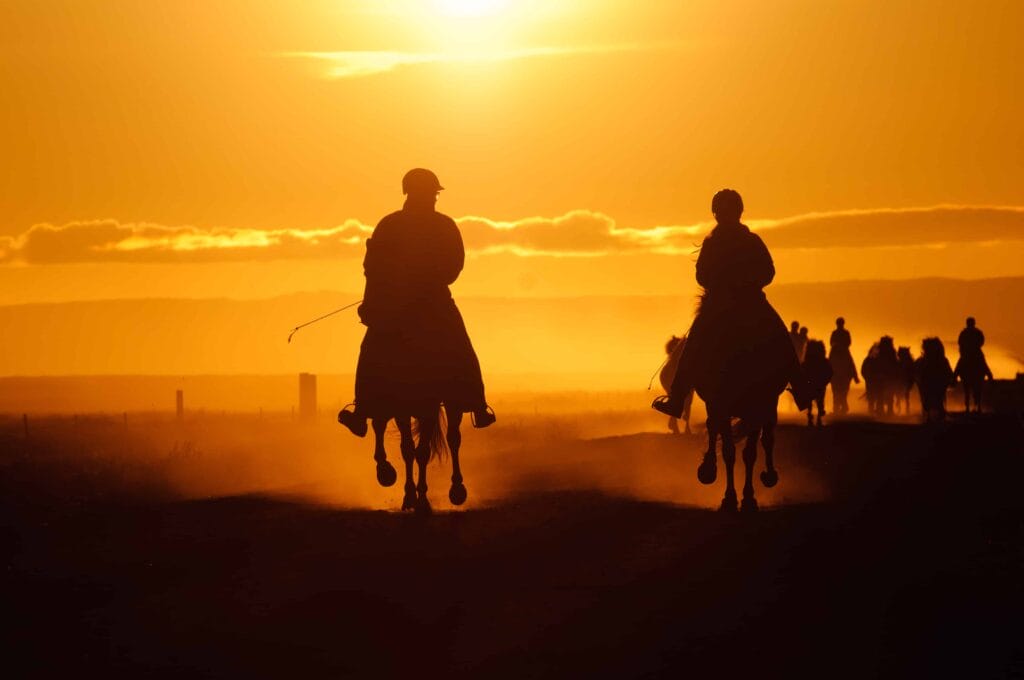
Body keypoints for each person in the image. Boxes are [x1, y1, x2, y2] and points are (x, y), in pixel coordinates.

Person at [338, 168, 495, 436]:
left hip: (400, 306)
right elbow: (454, 267)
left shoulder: (390, 224)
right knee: (460, 347)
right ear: (422, 193)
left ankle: (361, 411)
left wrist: (374, 303)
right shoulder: (442, 225)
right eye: (432, 193)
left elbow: (374, 269)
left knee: (372, 351)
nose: (434, 198)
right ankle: (477, 406)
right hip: (434, 305)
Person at [653, 189, 809, 417]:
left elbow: (701, 276)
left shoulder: (714, 243)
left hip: (719, 306)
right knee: (780, 337)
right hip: (752, 304)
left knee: (693, 345)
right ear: (739, 212)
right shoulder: (751, 241)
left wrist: (723, 284)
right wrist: (748, 283)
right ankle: (801, 388)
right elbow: (769, 272)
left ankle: (676, 399)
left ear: (716, 213)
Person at [828, 317, 859, 415]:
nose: (840, 325)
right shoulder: (834, 333)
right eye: (839, 323)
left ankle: (855, 376)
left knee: (850, 361)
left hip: (844, 350)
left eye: (840, 323)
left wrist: (841, 345)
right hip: (835, 350)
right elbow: (831, 342)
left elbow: (849, 342)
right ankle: (826, 374)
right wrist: (836, 345)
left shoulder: (846, 333)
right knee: (828, 363)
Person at [802, 339, 833, 426]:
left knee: (810, 399)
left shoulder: (806, 362)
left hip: (813, 383)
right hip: (819, 383)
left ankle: (811, 414)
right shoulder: (824, 362)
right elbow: (829, 372)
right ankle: (818, 415)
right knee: (820, 399)